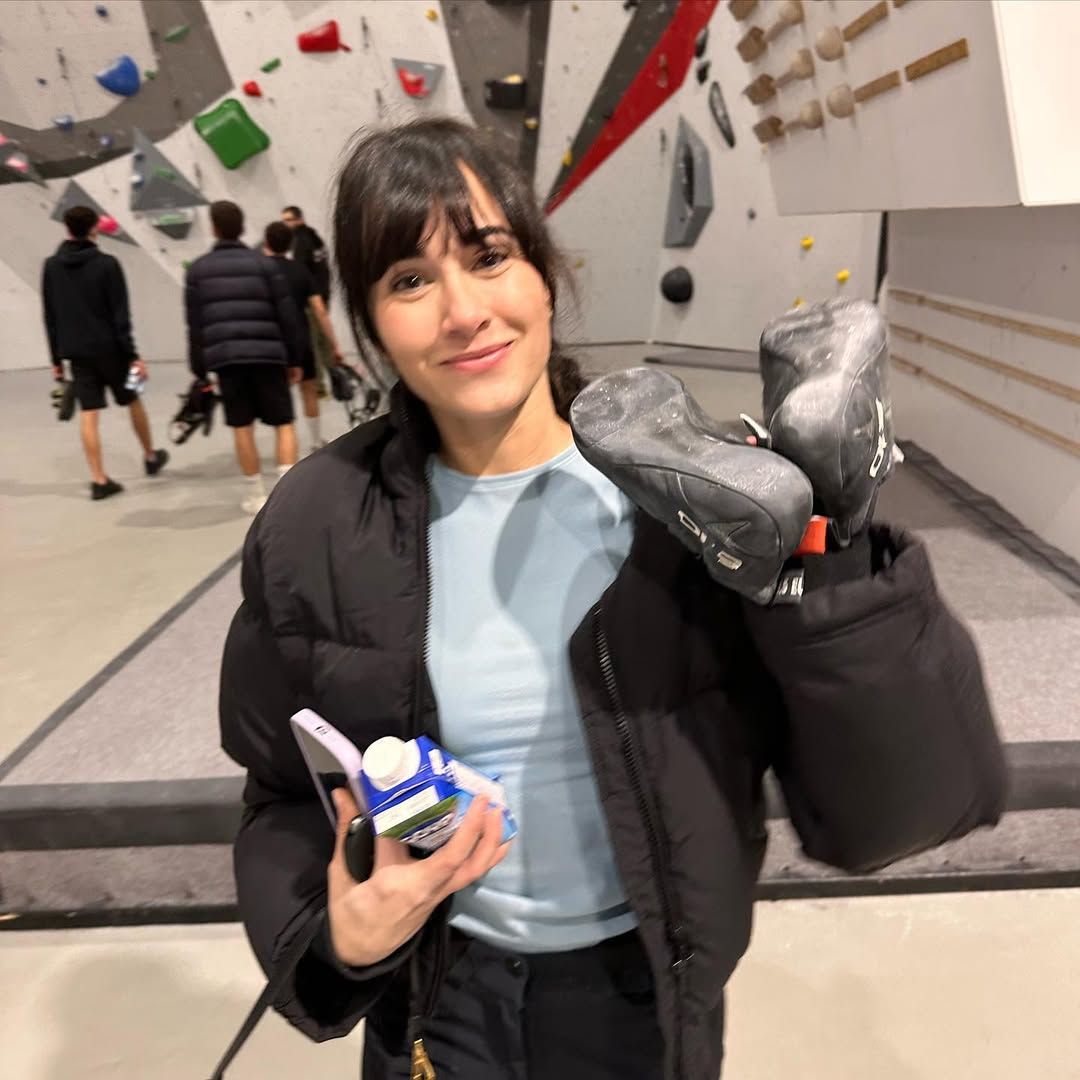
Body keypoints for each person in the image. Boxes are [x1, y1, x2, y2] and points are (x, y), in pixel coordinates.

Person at [219, 120, 1006, 1080]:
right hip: (436, 999)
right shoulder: (317, 523)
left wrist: (831, 551)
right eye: (410, 280)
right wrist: (338, 935)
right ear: (373, 324)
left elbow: (899, 810)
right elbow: (279, 790)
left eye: (489, 257)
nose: (464, 311)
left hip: (641, 1001)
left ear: (545, 275)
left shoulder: (697, 502)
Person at [184, 201, 305, 514]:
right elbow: (287, 315)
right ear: (241, 227)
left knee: (241, 426)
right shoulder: (265, 265)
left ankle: (256, 495)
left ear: (213, 228)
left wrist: (199, 367)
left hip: (227, 359)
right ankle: (289, 496)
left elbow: (195, 324)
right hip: (269, 356)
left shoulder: (198, 271)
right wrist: (295, 359)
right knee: (283, 422)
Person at [41, 205, 168, 500]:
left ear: (67, 229)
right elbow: (121, 316)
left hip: (76, 354)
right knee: (133, 399)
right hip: (114, 351)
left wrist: (56, 359)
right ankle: (150, 456)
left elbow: (50, 316)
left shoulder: (51, 266)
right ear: (94, 229)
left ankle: (99, 479)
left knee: (89, 412)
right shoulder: (108, 264)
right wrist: (133, 355)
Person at [262, 221, 347, 451]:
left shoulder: (260, 270)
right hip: (300, 338)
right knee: (308, 389)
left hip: (271, 339)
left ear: (266, 242)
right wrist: (333, 345)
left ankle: (284, 444)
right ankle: (315, 440)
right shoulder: (300, 270)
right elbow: (319, 310)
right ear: (290, 244)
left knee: (278, 393)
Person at [281, 204, 334, 396]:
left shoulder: (300, 242)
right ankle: (337, 377)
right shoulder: (315, 237)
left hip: (311, 300)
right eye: (284, 220)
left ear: (299, 219)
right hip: (322, 296)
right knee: (322, 341)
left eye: (288, 220)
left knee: (312, 344)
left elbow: (300, 273)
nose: (285, 224)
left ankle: (319, 387)